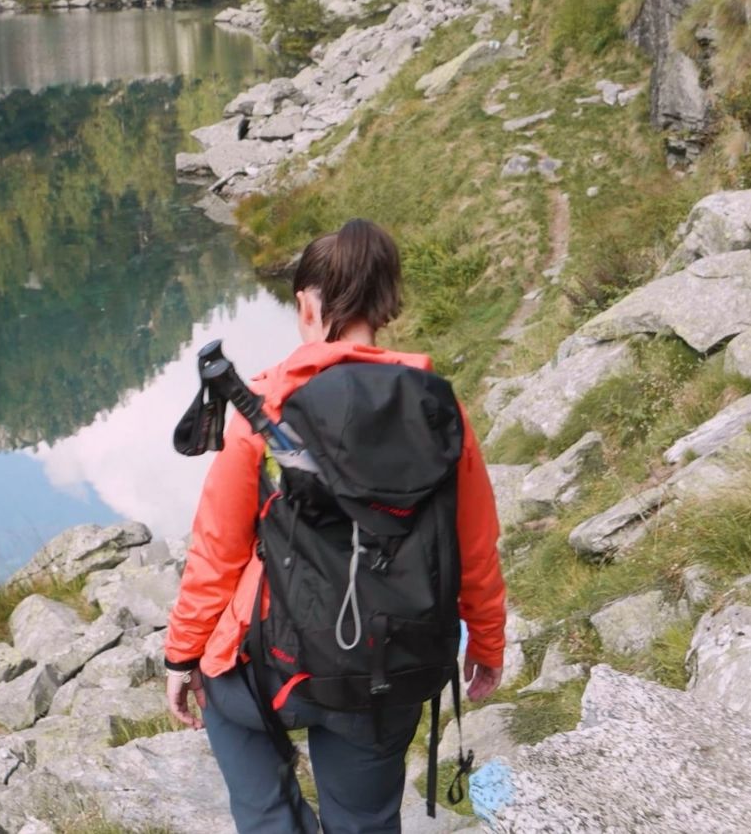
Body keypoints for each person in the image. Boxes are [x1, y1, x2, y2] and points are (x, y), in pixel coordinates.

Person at [163, 218, 507, 834]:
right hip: (385, 662)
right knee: (365, 820)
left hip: (270, 666)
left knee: (257, 789)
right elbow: (474, 546)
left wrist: (183, 654)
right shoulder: (438, 411)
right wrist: (485, 643)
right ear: (387, 304)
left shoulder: (265, 407)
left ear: (305, 305)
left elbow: (217, 552)